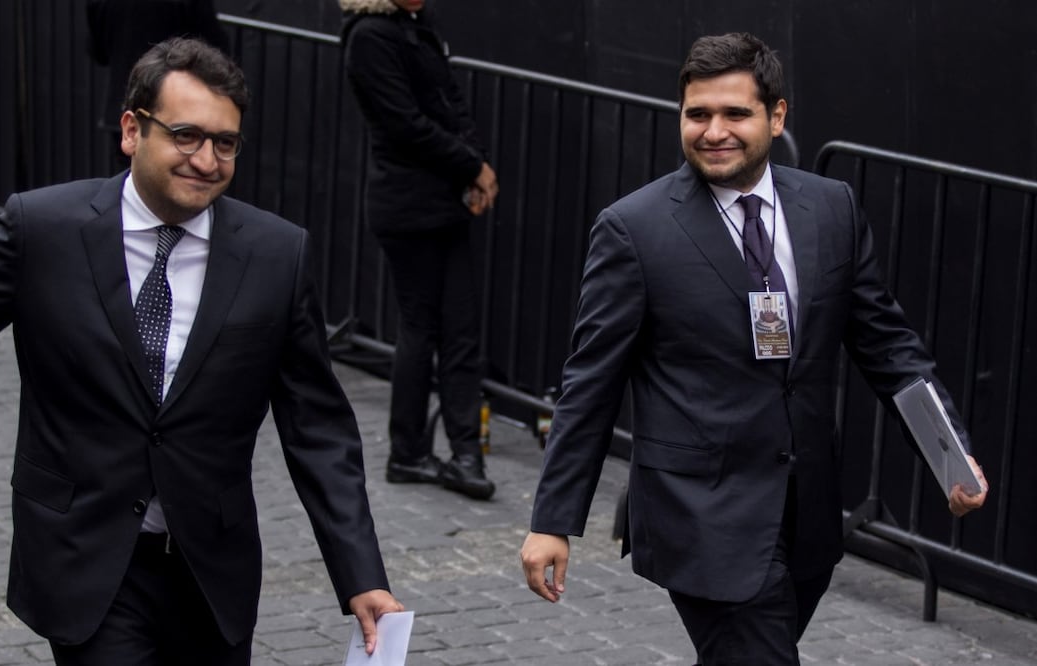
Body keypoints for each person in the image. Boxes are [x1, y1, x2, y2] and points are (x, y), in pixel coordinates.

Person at [519, 32, 988, 665]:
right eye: (697, 114)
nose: (714, 131)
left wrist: (948, 453)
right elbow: (590, 383)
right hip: (700, 517)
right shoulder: (635, 229)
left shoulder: (830, 207)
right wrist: (553, 519)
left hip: (806, 512)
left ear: (777, 115)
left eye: (735, 113)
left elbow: (888, 344)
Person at [0, 38, 401, 664]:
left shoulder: (276, 255)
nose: (207, 159)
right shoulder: (43, 230)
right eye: (187, 135)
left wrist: (361, 573)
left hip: (211, 571)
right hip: (86, 557)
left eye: (225, 143)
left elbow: (318, 427)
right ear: (132, 130)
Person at [339, 0, 499, 500]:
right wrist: (471, 168)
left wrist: (473, 164)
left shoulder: (415, 26)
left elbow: (452, 102)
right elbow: (402, 124)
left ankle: (465, 453)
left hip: (445, 199)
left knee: (461, 329)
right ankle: (407, 453)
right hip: (407, 205)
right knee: (421, 326)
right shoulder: (369, 35)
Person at [86, 0, 230, 173]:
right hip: (180, 112)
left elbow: (98, 52)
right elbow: (216, 49)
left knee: (130, 183)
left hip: (124, 106)